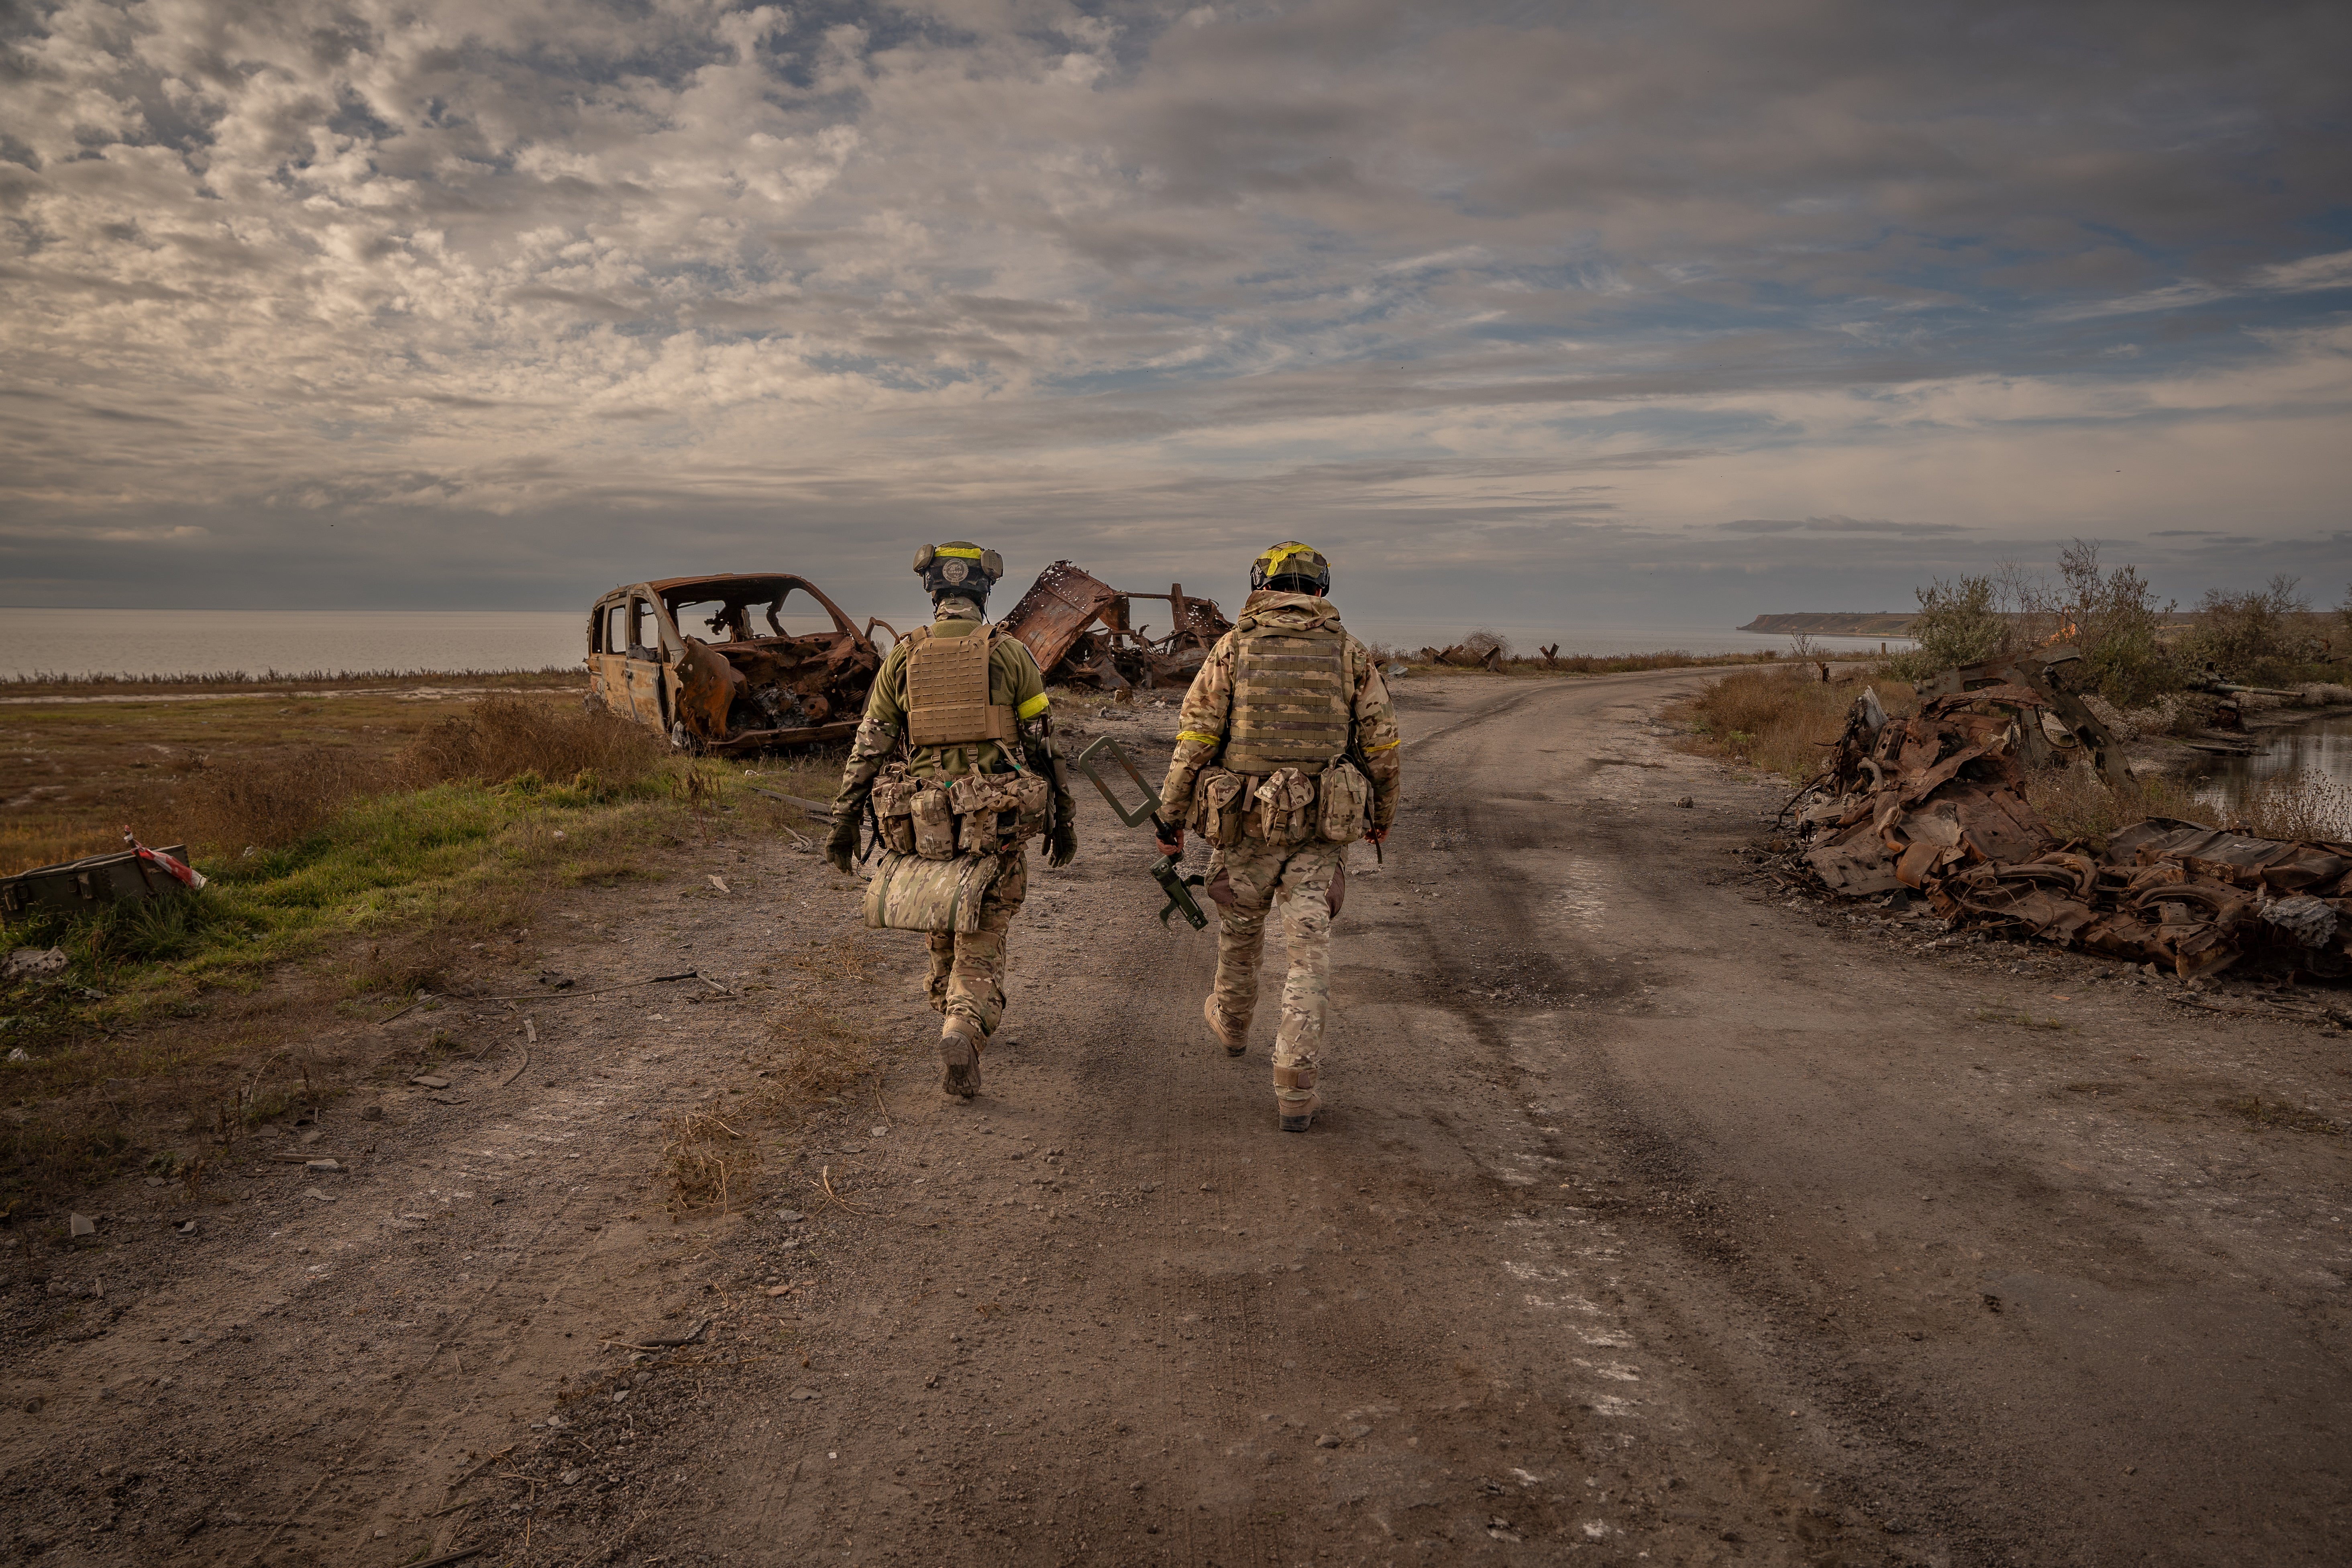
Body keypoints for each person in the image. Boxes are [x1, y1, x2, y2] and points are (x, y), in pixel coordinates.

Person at [1153, 542, 1401, 1131]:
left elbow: (1195, 738)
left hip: (1244, 827)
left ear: (1261, 585)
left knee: (1240, 928)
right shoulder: (1348, 651)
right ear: (1320, 590)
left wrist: (1170, 819)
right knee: (1307, 953)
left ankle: (1233, 1025)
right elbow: (1383, 744)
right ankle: (1295, 1083)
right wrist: (1381, 814)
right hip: (1318, 833)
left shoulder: (1233, 646)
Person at [825, 543, 1078, 1096]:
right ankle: (964, 1022)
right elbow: (1044, 743)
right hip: (994, 824)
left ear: (933, 594)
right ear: (985, 594)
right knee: (983, 929)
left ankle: (950, 1006)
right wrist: (1063, 816)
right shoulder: (1011, 654)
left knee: (941, 914)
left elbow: (869, 744)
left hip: (927, 823)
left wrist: (844, 818)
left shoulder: (903, 656)